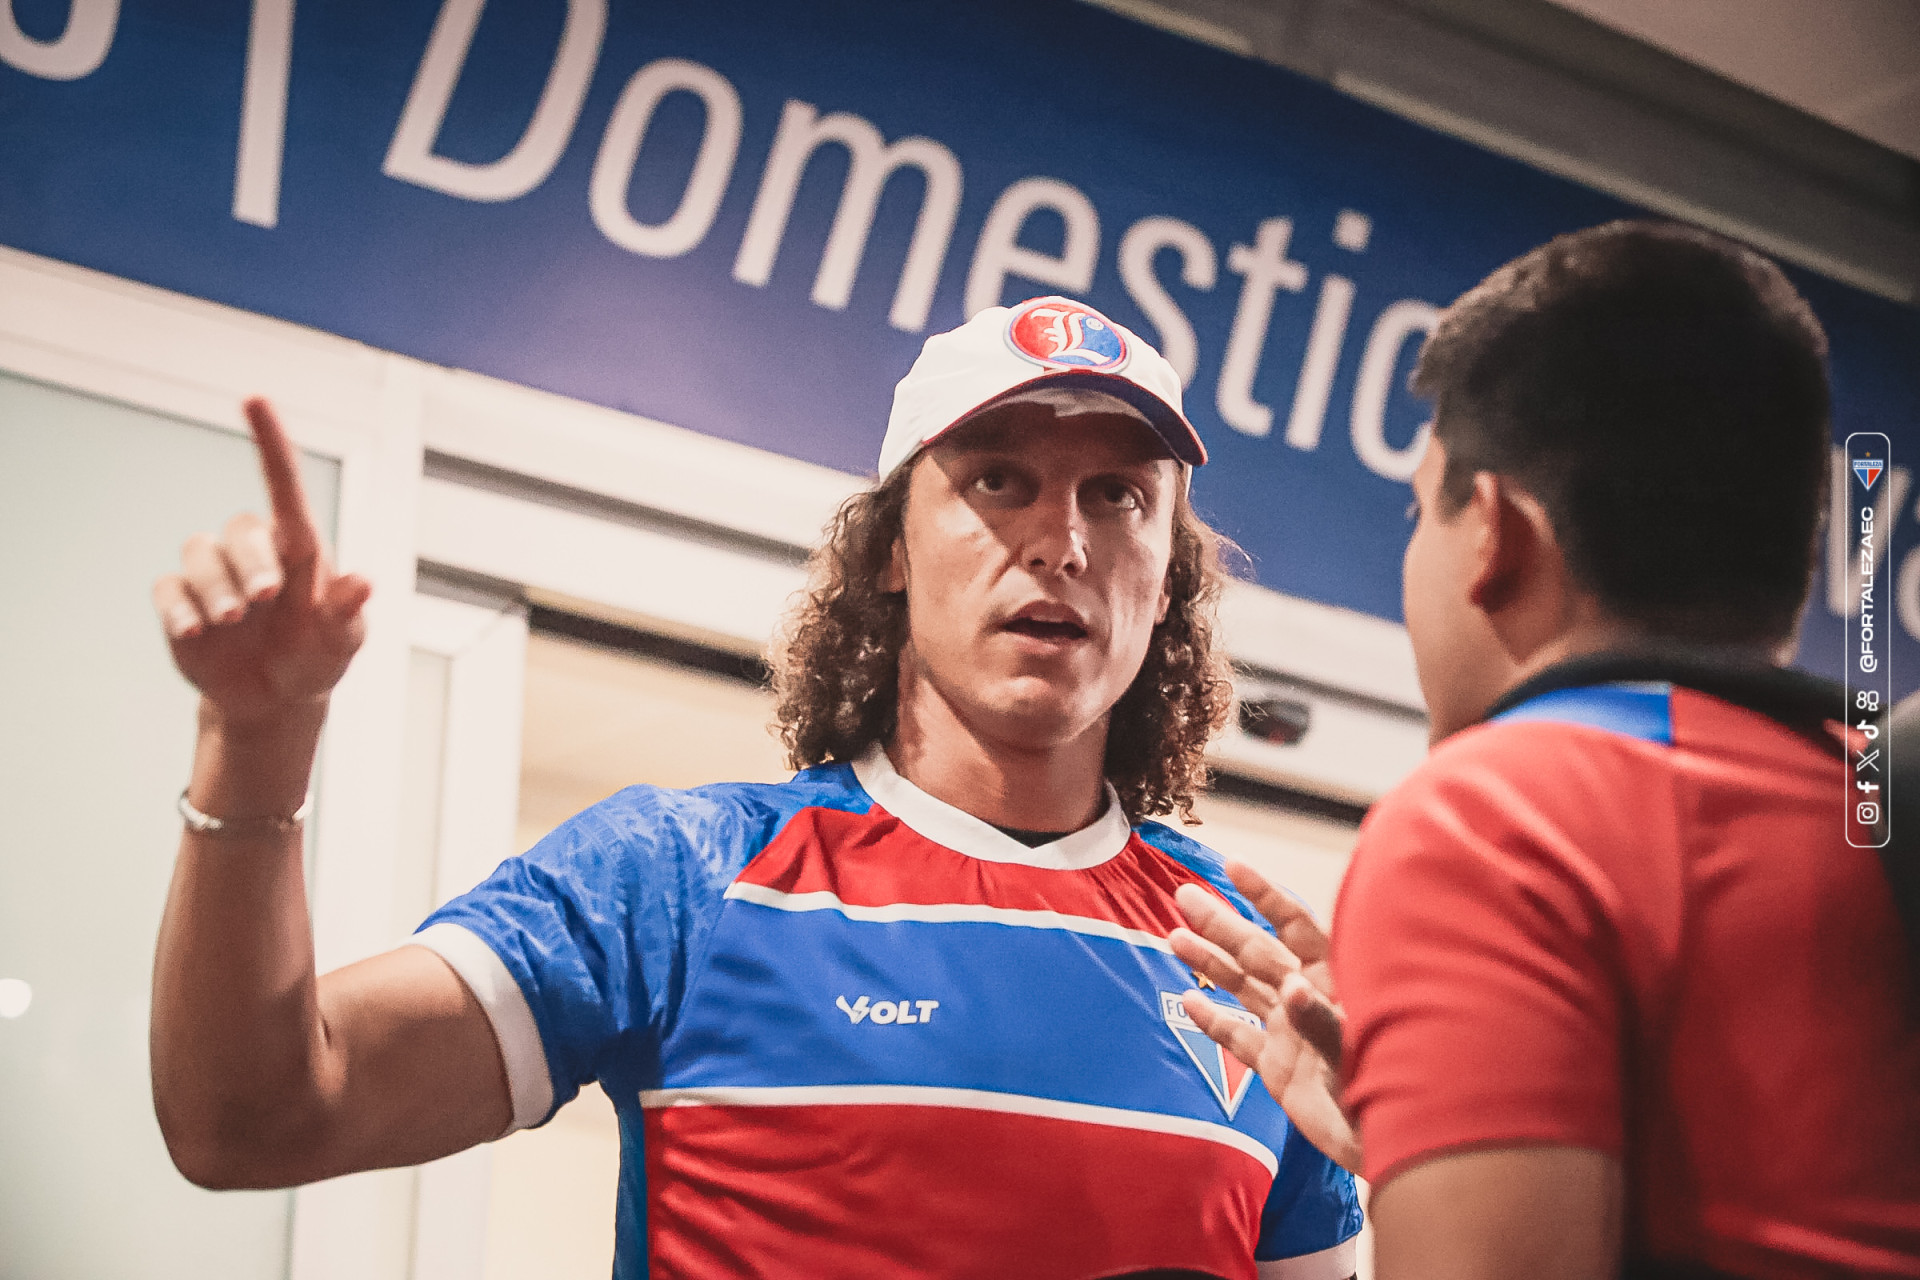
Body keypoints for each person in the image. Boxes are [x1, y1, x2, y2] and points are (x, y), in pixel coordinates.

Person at [148, 294, 1363, 1278]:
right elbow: (252, 1114)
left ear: (1167, 581)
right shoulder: (681, 877)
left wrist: (1405, 1158)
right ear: (890, 548)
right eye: (999, 478)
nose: (1064, 540)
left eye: (1121, 494)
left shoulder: (1246, 960)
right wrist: (258, 737)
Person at [1170, 221, 1920, 1278]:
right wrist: (1440, 1122)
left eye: (1416, 509)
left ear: (1493, 532)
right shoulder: (1873, 797)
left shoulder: (1495, 820)